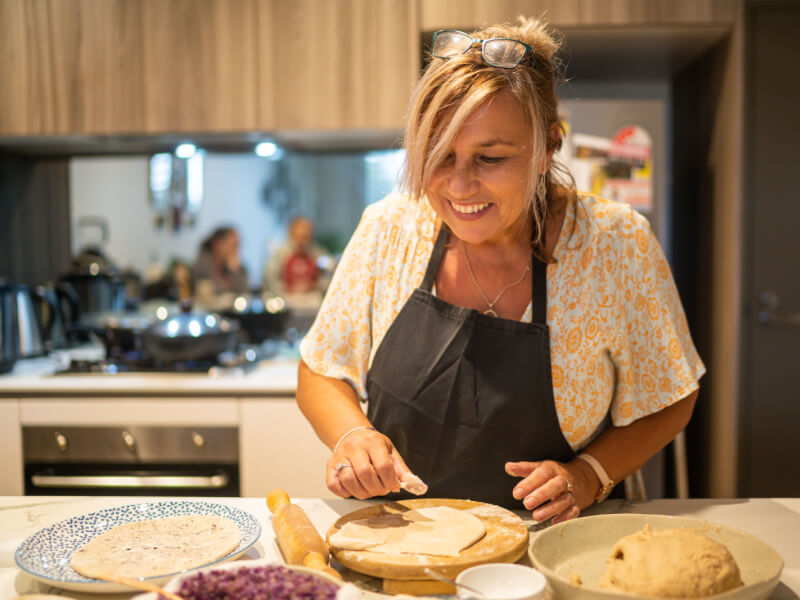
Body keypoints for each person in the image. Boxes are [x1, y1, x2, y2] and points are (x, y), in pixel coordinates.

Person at [296, 17, 705, 524]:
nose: (459, 185)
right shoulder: (390, 228)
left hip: (557, 540)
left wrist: (589, 474)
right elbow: (321, 368)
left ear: (548, 146)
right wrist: (352, 435)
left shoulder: (612, 242)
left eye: (489, 158)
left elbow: (670, 394)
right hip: (399, 539)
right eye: (439, 155)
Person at [263, 216, 328, 299]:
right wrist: (287, 290)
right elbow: (271, 281)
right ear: (291, 233)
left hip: (313, 300)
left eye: (305, 237)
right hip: (286, 300)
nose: (302, 241)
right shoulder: (279, 256)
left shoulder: (319, 255)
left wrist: (314, 285)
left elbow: (327, 280)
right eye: (299, 236)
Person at [193, 226, 249, 308]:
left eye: (237, 245)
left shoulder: (239, 268)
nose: (236, 250)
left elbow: (244, 295)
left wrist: (236, 271)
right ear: (217, 244)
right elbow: (205, 298)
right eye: (233, 245)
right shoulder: (203, 265)